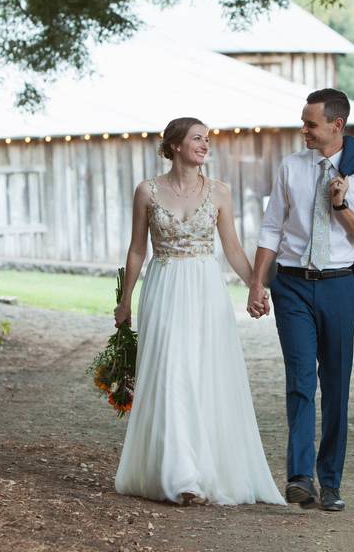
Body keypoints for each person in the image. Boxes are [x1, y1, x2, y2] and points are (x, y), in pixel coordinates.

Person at [113, 117, 285, 507]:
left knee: (205, 373)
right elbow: (137, 249)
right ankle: (181, 476)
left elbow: (234, 250)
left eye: (207, 139)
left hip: (207, 289)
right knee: (172, 372)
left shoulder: (220, 193)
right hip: (165, 286)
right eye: (197, 139)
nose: (205, 145)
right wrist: (125, 300)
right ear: (175, 145)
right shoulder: (147, 191)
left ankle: (209, 468)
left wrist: (255, 286)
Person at [247, 88, 354, 512]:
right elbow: (271, 228)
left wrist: (341, 204)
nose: (304, 130)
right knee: (300, 380)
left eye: (310, 123)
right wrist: (257, 283)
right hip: (291, 285)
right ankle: (299, 478)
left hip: (338, 287)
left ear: (337, 125)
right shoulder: (290, 167)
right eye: (303, 121)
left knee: (335, 384)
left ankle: (330, 481)